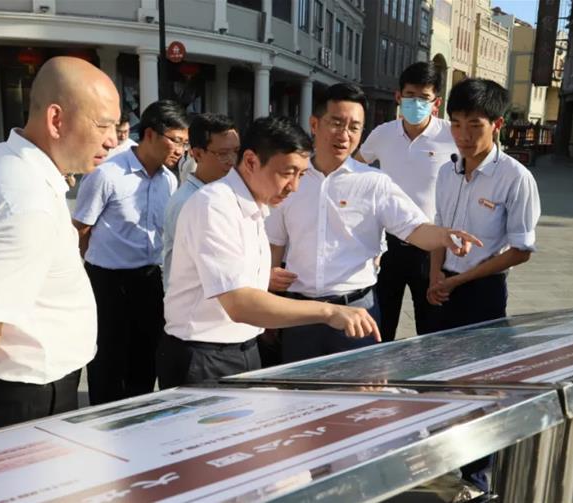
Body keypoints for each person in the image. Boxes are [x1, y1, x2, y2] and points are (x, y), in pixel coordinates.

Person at [0, 57, 120, 433]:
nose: (112, 139)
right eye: (103, 125)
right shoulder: (29, 204)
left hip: (8, 381)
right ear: (56, 119)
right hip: (30, 395)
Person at [157, 116, 381, 388]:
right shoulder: (213, 205)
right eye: (287, 173)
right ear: (251, 161)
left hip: (242, 348)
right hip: (204, 357)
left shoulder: (256, 206)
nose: (294, 187)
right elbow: (240, 303)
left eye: (301, 175)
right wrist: (329, 311)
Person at [266, 84, 481, 363]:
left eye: (354, 127)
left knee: (359, 388)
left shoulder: (373, 183)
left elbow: (414, 228)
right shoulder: (291, 179)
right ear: (315, 124)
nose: (345, 135)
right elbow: (275, 243)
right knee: (298, 389)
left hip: (357, 314)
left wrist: (444, 236)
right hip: (300, 314)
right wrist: (268, 297)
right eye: (337, 123)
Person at [426, 78, 541, 494]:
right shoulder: (446, 171)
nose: (463, 135)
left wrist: (461, 279)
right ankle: (446, 459)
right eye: (456, 124)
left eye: (474, 124)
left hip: (483, 291)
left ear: (497, 124)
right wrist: (435, 276)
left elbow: (521, 249)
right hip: (443, 286)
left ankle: (476, 478)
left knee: (479, 384)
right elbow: (439, 230)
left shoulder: (515, 177)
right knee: (442, 378)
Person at [72, 100, 186, 405]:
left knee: (145, 357)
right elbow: (81, 228)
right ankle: (103, 421)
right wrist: (94, 263)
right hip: (107, 282)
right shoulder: (107, 174)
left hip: (149, 279)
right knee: (108, 360)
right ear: (149, 134)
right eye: (175, 140)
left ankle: (138, 416)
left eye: (184, 144)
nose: (180, 150)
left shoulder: (169, 180)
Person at [355, 62, 457, 342]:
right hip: (388, 245)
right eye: (410, 96)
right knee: (381, 325)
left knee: (432, 325)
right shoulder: (383, 134)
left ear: (436, 103)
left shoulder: (451, 136)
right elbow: (355, 170)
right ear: (398, 96)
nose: (416, 103)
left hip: (431, 246)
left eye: (424, 98)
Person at [162, 113, 239, 290]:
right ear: (197, 153)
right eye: (222, 154)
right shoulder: (187, 203)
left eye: (236, 152)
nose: (232, 161)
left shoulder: (229, 193)